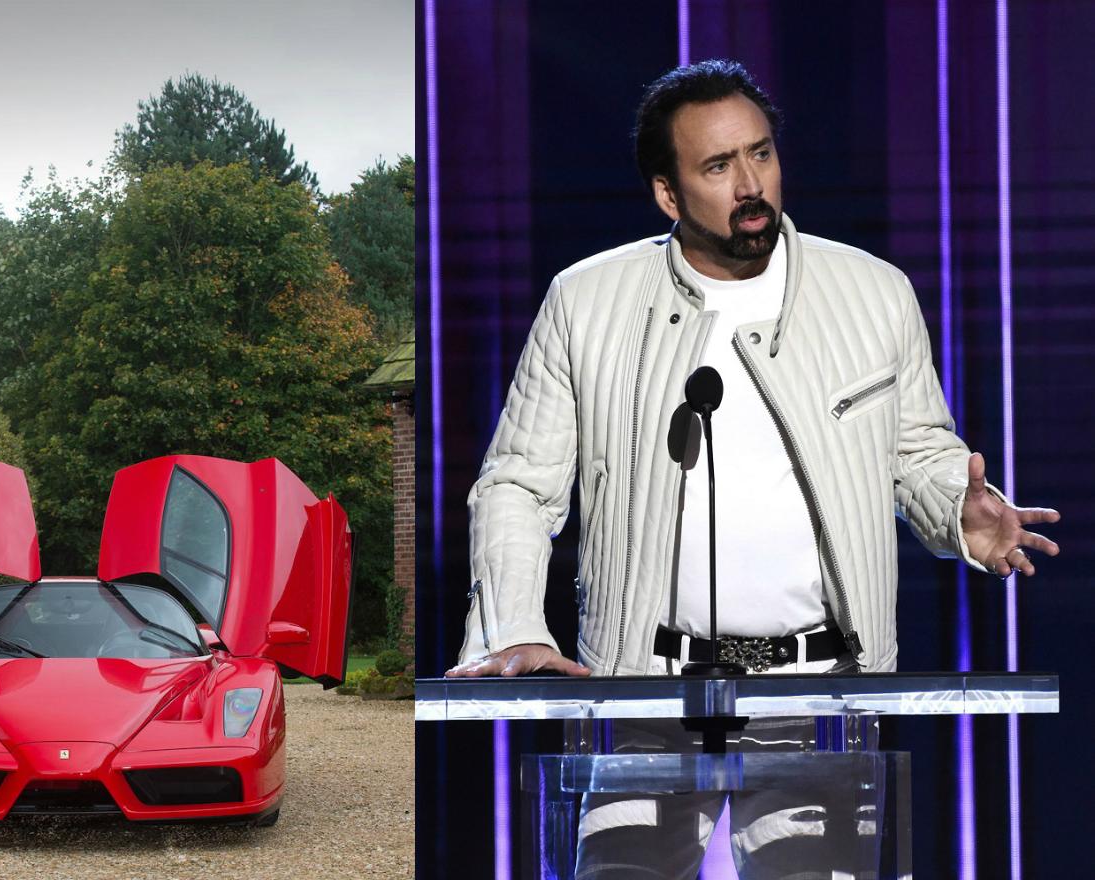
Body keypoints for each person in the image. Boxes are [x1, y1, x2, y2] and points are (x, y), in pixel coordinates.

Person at [443, 60, 1061, 877]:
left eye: (761, 155)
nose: (751, 184)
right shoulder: (585, 303)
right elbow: (518, 483)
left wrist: (959, 509)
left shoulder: (872, 293)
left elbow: (919, 453)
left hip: (819, 695)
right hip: (643, 694)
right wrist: (516, 623)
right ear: (668, 194)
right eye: (718, 166)